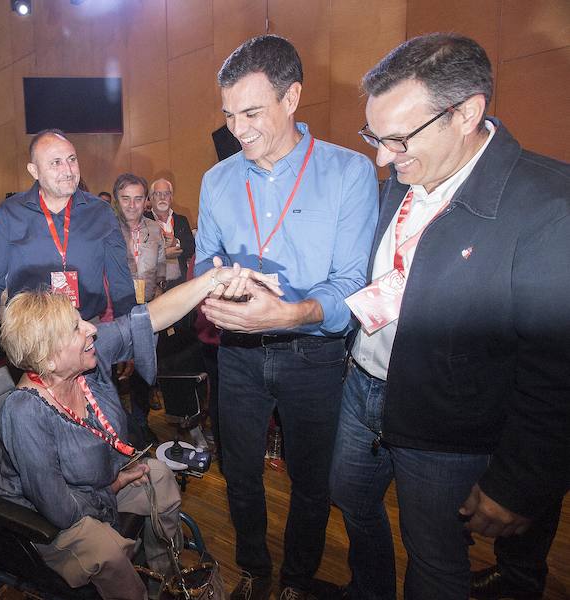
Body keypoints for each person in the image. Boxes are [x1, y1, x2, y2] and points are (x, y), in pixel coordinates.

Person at [328, 32, 570, 600]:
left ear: (466, 113)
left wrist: (518, 483)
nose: (383, 157)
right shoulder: (403, 177)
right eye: (375, 136)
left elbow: (556, 372)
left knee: (433, 556)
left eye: (397, 139)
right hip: (365, 391)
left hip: (448, 427)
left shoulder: (548, 206)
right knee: (351, 499)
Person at [195, 35, 379, 599]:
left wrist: (289, 311)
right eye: (229, 114)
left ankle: (297, 580)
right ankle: (254, 569)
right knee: (241, 475)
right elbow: (204, 262)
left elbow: (351, 285)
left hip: (315, 357)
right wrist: (215, 288)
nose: (238, 128)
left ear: (292, 96)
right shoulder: (217, 180)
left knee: (311, 482)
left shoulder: (349, 173)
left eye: (252, 112)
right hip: (240, 358)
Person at [0, 259, 253, 599]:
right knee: (108, 552)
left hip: (96, 485)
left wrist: (212, 279)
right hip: (46, 520)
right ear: (50, 359)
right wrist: (114, 484)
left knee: (159, 477)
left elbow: (149, 317)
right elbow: (61, 510)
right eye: (76, 328)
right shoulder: (24, 411)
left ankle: (165, 579)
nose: (92, 329)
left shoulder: (87, 358)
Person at [0, 129, 136, 375]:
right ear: (34, 170)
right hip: (31, 339)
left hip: (86, 334)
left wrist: (127, 337)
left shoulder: (101, 212)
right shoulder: (11, 213)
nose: (68, 170)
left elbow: (121, 283)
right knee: (38, 411)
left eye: (72, 159)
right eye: (55, 162)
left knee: (94, 411)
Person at [112, 173, 165, 447]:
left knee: (144, 371)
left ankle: (141, 425)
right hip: (115, 311)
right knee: (113, 372)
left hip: (147, 311)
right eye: (125, 198)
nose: (132, 205)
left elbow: (161, 271)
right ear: (116, 200)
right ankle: (116, 428)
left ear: (146, 201)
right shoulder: (106, 229)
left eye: (137, 198)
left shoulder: (155, 230)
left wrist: (159, 307)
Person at [145, 178, 194, 290]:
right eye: (158, 194)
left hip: (180, 285)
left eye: (166, 193)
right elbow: (138, 254)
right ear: (151, 198)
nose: (162, 197)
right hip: (152, 286)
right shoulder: (143, 221)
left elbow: (192, 248)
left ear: (171, 198)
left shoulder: (181, 220)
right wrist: (163, 254)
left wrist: (176, 242)